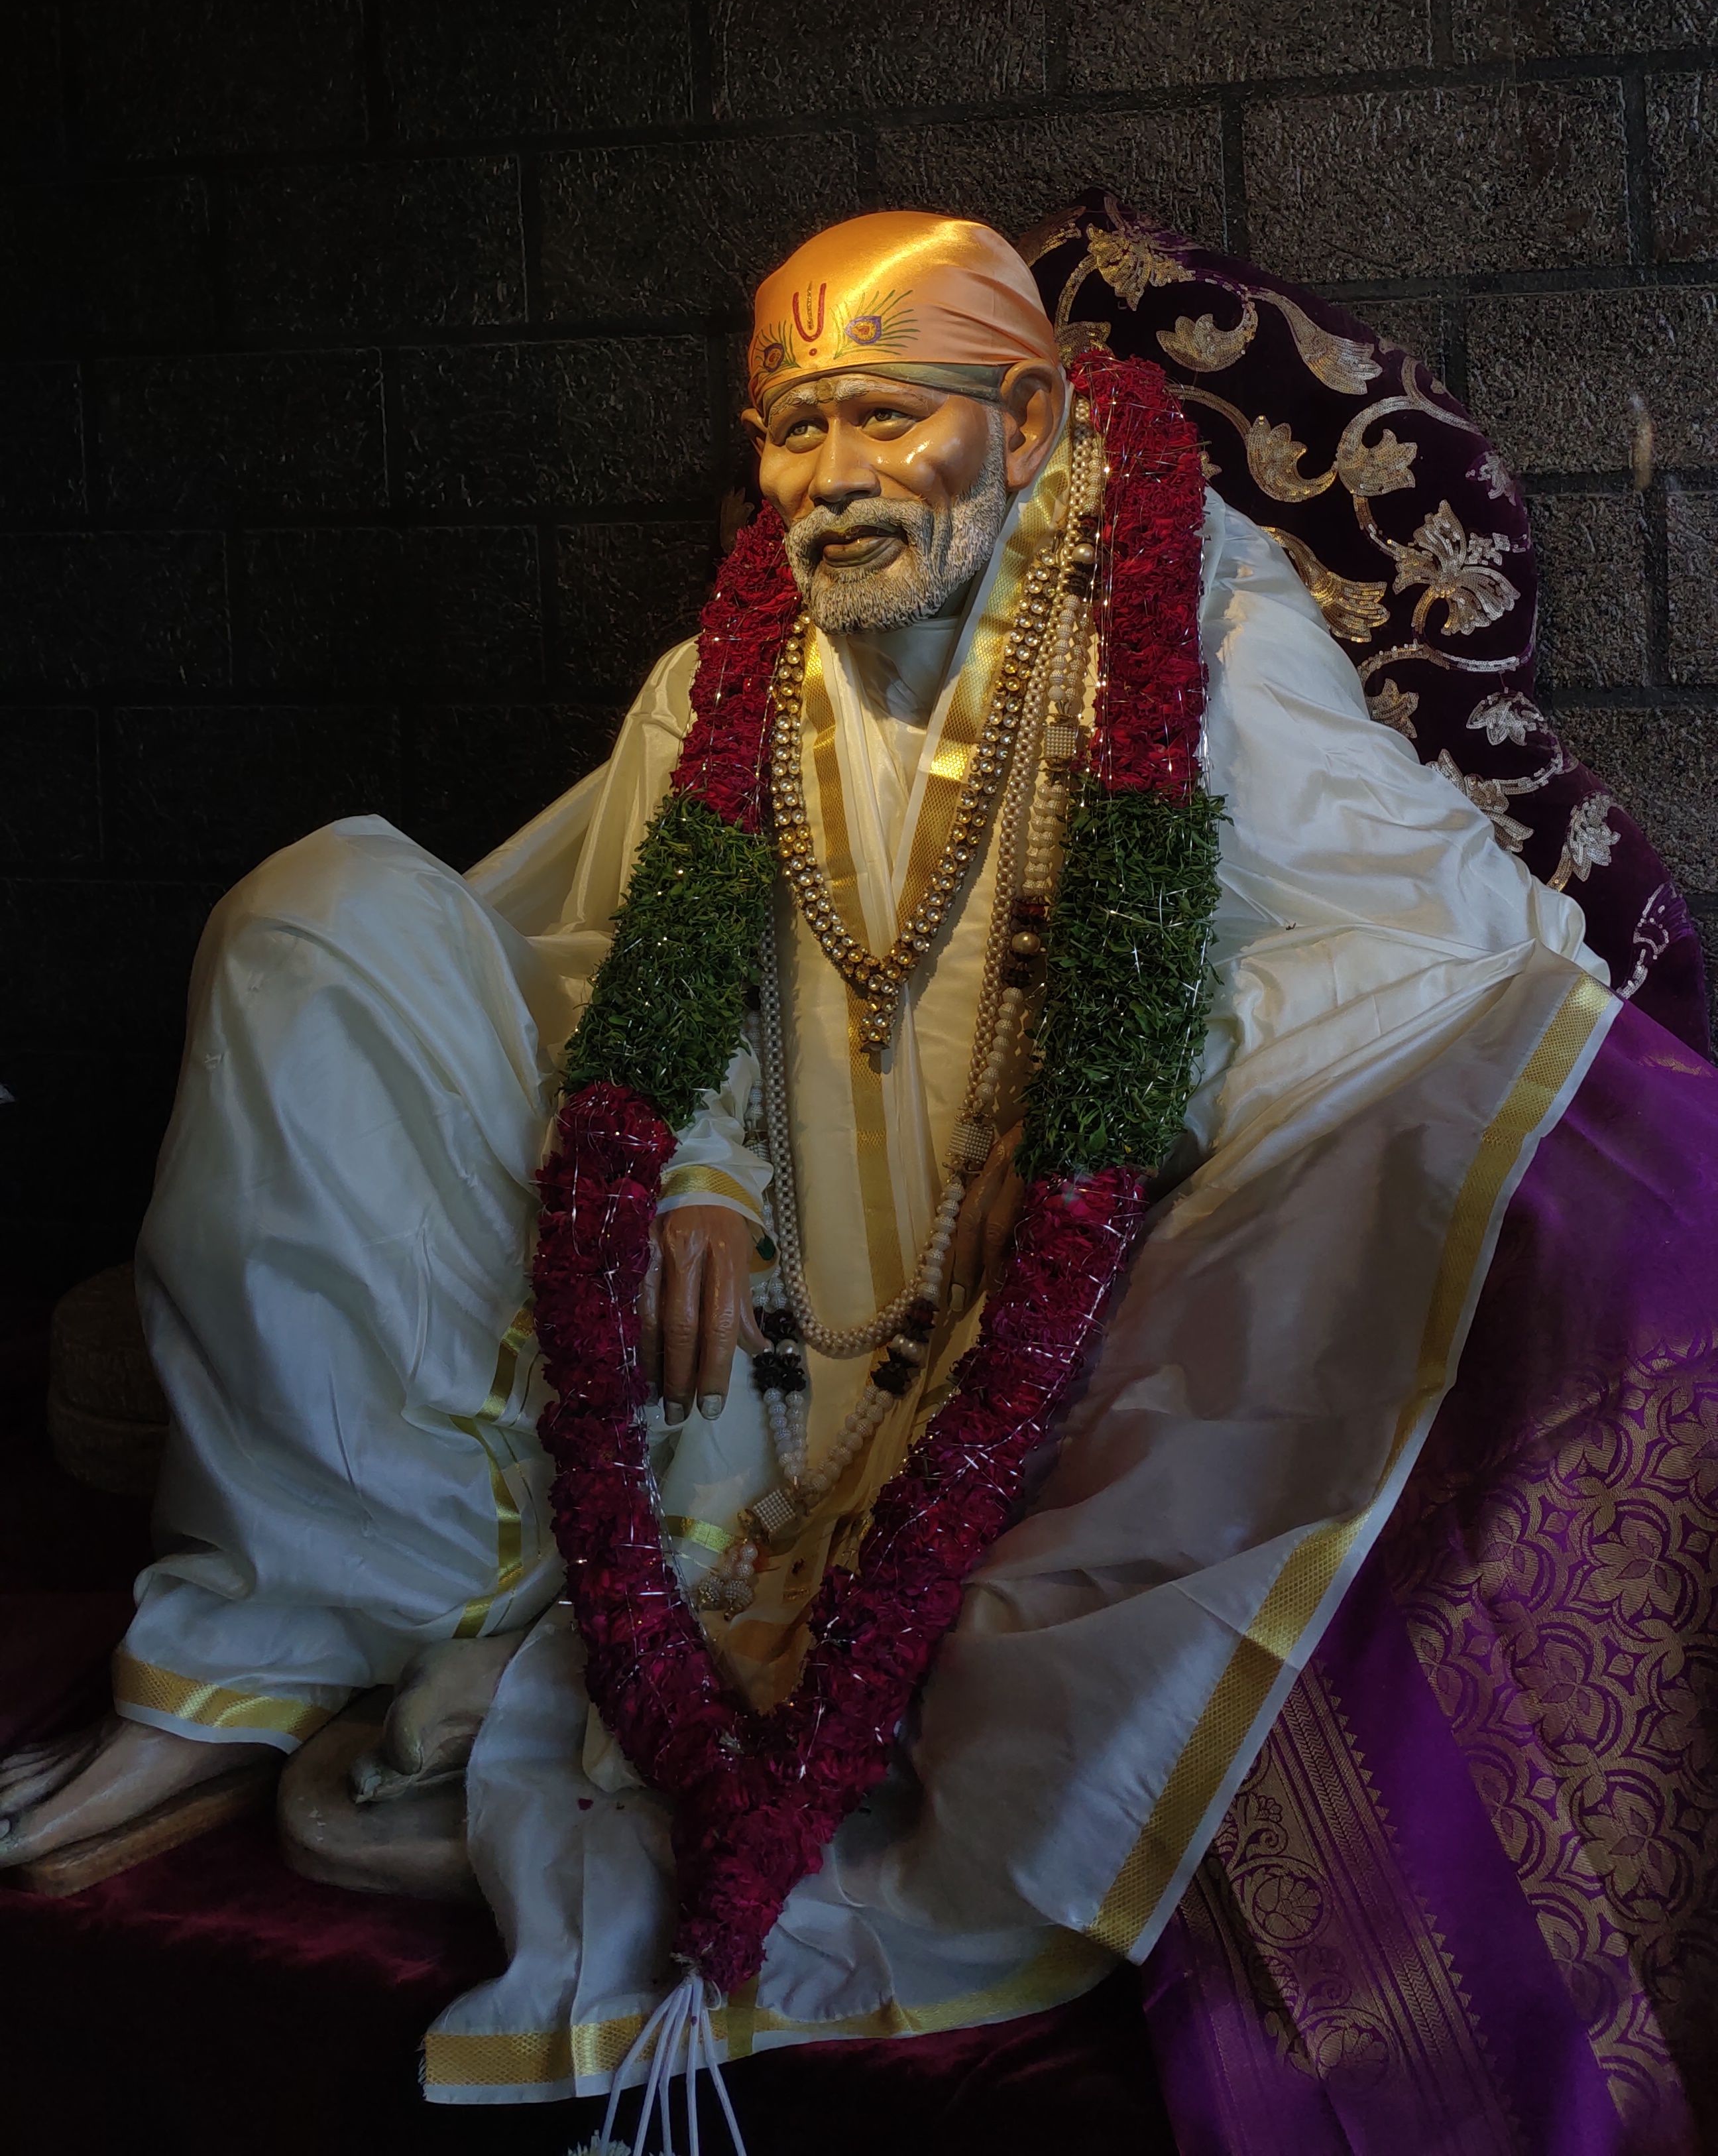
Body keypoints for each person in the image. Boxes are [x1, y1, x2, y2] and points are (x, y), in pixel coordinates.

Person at [0, 212, 1700, 2141]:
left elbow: (1405, 928)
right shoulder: (726, 674)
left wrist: (1104, 1135)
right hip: (722, 1363)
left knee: (1413, 1123)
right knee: (310, 919)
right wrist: (703, 1165)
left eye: (889, 420)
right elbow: (650, 951)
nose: (834, 484)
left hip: (1065, 1346)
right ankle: (260, 1639)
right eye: (792, 437)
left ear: (1035, 420)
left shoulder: (1192, 621)